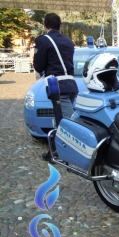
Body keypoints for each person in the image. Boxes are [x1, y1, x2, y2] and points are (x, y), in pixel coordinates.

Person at [33, 13, 78, 162]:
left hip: (56, 86)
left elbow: (38, 66)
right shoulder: (68, 41)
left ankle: (65, 153)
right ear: (60, 26)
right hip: (70, 84)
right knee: (59, 119)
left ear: (45, 24)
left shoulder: (43, 40)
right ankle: (54, 151)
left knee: (67, 122)